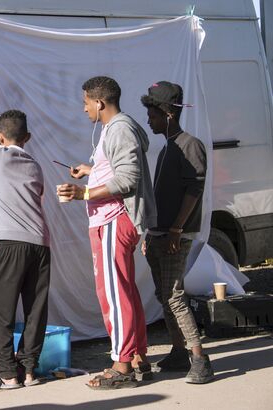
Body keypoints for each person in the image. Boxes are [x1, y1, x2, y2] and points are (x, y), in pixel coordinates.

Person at [57, 76, 157, 389]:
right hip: (110, 220)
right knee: (122, 291)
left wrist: (83, 193)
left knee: (113, 294)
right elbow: (116, 169)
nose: (84, 108)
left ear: (100, 102)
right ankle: (137, 357)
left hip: (114, 220)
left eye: (86, 102)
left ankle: (122, 365)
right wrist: (90, 172)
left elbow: (128, 178)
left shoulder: (120, 128)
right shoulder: (112, 130)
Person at [140, 81, 214, 384]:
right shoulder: (167, 149)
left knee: (173, 295)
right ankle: (179, 351)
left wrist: (175, 229)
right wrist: (151, 232)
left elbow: (194, 189)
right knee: (163, 294)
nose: (149, 120)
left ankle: (199, 358)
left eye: (153, 115)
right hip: (160, 233)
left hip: (175, 234)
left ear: (168, 114)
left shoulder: (190, 145)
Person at [0, 110, 51, 389]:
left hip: (9, 243)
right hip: (40, 244)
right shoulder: (36, 165)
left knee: (2, 311)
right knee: (35, 310)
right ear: (27, 137)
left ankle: (7, 375)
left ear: (0, 135)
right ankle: (30, 372)